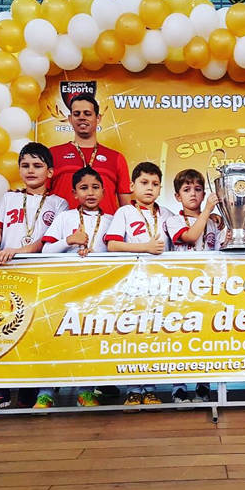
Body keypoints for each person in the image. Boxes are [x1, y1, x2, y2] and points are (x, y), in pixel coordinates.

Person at [0, 143, 69, 411]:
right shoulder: (9, 199)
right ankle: (1, 390)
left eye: (37, 166)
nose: (31, 170)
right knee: (2, 327)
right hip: (7, 272)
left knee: (35, 329)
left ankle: (30, 388)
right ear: (19, 169)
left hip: (39, 272)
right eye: (25, 165)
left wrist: (19, 251)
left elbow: (47, 241)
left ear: (50, 172)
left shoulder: (59, 203)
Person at [40, 166, 114, 409]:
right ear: (74, 193)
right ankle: (45, 393)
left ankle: (86, 391)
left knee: (89, 341)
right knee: (57, 340)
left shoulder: (112, 221)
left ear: (104, 191)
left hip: (97, 292)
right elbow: (46, 251)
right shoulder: (65, 218)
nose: (90, 193)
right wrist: (69, 240)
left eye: (95, 187)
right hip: (65, 290)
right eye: (83, 188)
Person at [104, 162, 174, 409]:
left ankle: (151, 389)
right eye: (144, 183)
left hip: (160, 284)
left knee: (155, 336)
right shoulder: (124, 212)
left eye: (155, 184)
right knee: (133, 335)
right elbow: (112, 244)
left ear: (160, 188)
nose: (149, 188)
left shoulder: (167, 214)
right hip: (132, 284)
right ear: (132, 186)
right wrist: (144, 247)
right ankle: (133, 389)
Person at [165, 169, 220, 405]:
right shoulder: (173, 220)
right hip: (181, 288)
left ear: (204, 193)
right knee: (179, 338)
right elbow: (189, 237)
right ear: (177, 196)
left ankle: (203, 387)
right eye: (187, 190)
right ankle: (178, 389)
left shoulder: (215, 223)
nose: (193, 194)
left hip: (208, 287)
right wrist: (207, 211)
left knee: (205, 338)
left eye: (198, 189)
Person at [50, 93, 131, 215]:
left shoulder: (116, 158)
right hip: (63, 226)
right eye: (77, 114)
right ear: (70, 119)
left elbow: (126, 209)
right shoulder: (53, 154)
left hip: (105, 226)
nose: (82, 117)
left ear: (98, 118)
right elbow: (40, 198)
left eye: (87, 113)